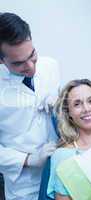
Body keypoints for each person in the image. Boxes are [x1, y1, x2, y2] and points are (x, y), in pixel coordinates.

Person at [0, 12, 60, 200]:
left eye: (32, 55)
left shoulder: (50, 66)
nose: (31, 67)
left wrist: (60, 103)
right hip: (24, 185)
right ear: (1, 60)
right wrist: (28, 160)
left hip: (59, 171)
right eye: (18, 63)